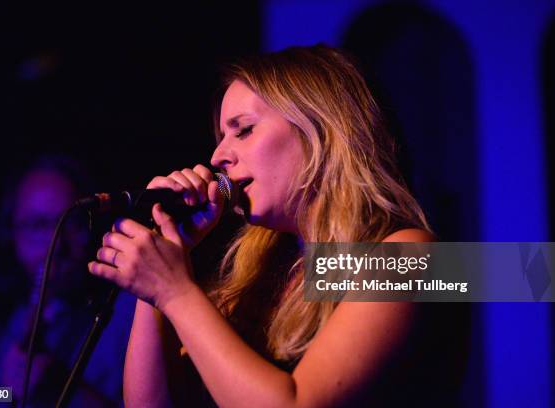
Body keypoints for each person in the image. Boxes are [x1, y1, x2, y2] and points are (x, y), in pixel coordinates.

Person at [88, 45, 461, 407]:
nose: (218, 156)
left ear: (321, 132)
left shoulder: (419, 256)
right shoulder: (263, 275)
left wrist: (175, 293)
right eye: (222, 137)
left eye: (244, 130)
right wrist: (161, 269)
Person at [0, 155, 135, 407]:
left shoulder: (126, 313)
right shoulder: (2, 327)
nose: (55, 243)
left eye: (69, 222)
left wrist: (58, 387)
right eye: (38, 225)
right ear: (11, 233)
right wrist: (3, 391)